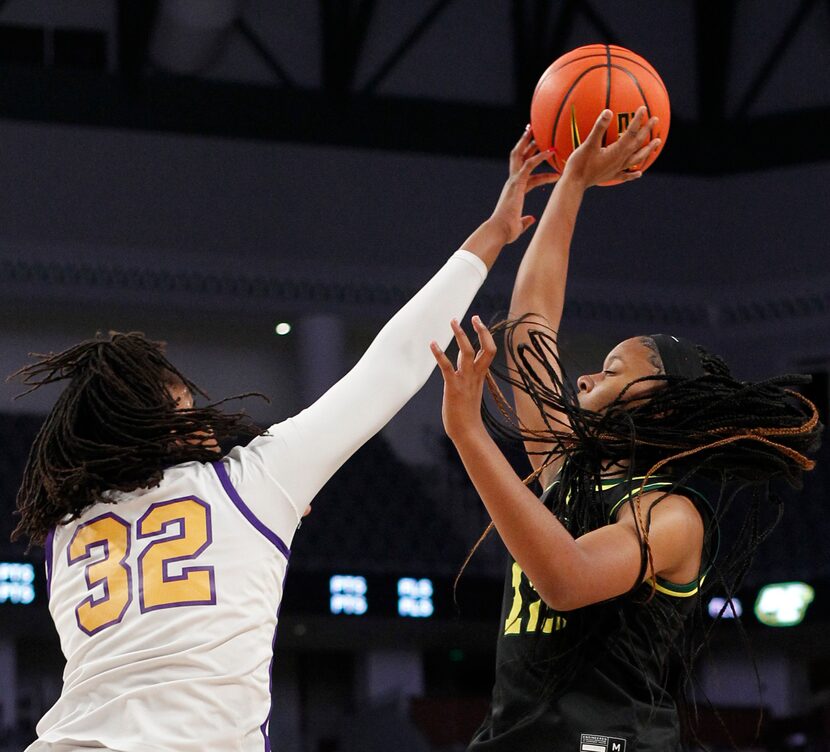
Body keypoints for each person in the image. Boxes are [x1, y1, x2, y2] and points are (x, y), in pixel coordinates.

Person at [10, 141, 558, 752]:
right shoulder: (250, 480)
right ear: (155, 426)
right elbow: (393, 363)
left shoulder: (66, 529)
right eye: (186, 405)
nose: (205, 420)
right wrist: (493, 234)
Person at [431, 108, 822, 751]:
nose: (583, 379)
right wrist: (572, 183)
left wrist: (469, 434)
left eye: (612, 370)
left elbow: (567, 580)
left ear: (660, 408)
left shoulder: (671, 517)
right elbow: (532, 323)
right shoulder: (567, 471)